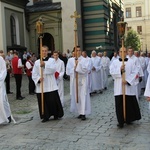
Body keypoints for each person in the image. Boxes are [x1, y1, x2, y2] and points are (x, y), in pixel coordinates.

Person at [110, 47, 141, 128]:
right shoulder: (115, 62)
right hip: (119, 87)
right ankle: (120, 121)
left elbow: (135, 72)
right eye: (121, 51)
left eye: (124, 51)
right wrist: (119, 70)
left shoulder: (131, 62)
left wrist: (127, 80)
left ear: (126, 52)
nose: (122, 53)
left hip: (127, 86)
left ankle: (129, 119)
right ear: (119, 53)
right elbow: (112, 72)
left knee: (129, 104)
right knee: (119, 104)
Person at [32, 45, 64, 123]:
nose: (44, 52)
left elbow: (53, 70)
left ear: (48, 52)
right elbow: (34, 74)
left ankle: (55, 114)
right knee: (44, 101)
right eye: (42, 51)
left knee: (53, 99)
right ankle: (45, 116)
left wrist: (45, 65)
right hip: (42, 84)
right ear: (40, 52)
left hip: (50, 84)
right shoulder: (36, 62)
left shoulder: (52, 60)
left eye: (45, 51)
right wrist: (38, 79)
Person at [66, 46, 91, 120]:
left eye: (80, 50)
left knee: (83, 96)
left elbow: (85, 70)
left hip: (82, 80)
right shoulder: (70, 60)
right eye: (77, 50)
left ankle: (83, 113)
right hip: (74, 80)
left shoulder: (85, 60)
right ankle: (80, 112)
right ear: (74, 51)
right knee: (77, 96)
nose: (78, 52)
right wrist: (74, 67)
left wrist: (78, 65)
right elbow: (68, 71)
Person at [0, 55, 12, 124]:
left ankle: (7, 115)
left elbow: (3, 70)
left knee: (2, 100)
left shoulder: (0, 59)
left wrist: (0, 78)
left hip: (0, 83)